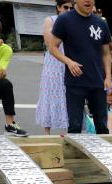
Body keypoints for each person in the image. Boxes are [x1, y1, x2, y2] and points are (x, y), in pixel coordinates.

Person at [49, 0, 112, 134]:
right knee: (75, 125)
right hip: (75, 81)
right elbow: (52, 47)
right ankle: (74, 155)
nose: (88, 1)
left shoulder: (101, 23)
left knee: (102, 126)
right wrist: (69, 62)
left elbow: (106, 54)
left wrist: (108, 77)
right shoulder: (64, 20)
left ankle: (102, 154)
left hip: (97, 81)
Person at [36, 0, 71, 134]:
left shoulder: (73, 20)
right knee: (50, 93)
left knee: (68, 94)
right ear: (58, 7)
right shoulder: (50, 20)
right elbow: (48, 42)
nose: (68, 10)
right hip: (53, 61)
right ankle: (47, 132)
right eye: (65, 7)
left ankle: (66, 131)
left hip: (68, 59)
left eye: (70, 8)